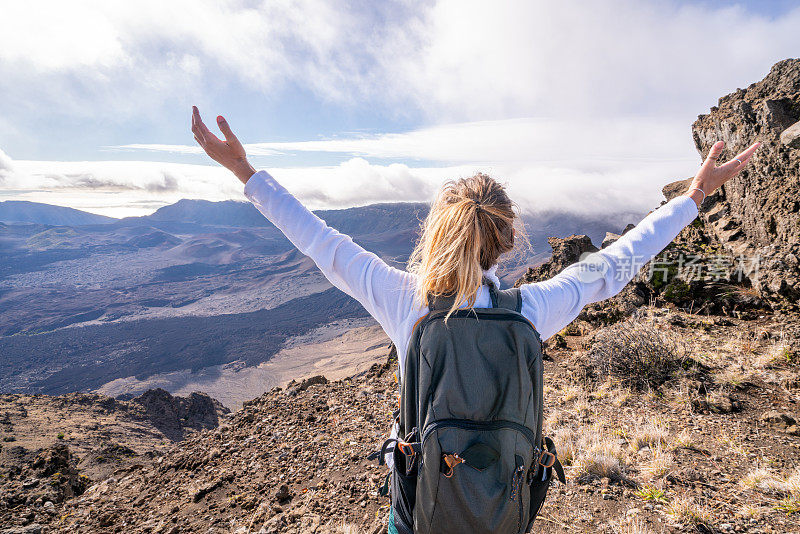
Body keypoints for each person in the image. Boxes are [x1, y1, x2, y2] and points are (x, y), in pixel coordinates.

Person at [191, 106, 760, 530]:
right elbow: (616, 264)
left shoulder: (406, 305)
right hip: (502, 508)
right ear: (507, 241)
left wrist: (246, 172)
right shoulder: (531, 311)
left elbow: (323, 243)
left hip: (421, 514)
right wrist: (693, 197)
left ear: (436, 230)